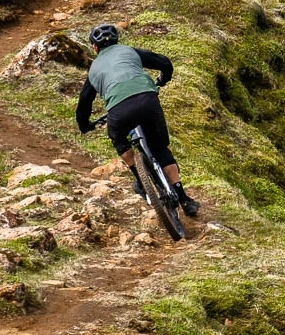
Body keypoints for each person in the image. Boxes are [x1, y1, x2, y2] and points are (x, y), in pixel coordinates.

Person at [75, 23, 199, 219]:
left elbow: (84, 102)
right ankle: (184, 199)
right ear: (117, 41)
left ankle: (140, 179)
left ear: (95, 48)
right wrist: (163, 79)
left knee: (120, 142)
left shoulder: (93, 69)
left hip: (118, 110)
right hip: (147, 98)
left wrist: (85, 126)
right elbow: (164, 63)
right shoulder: (129, 51)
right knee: (160, 149)